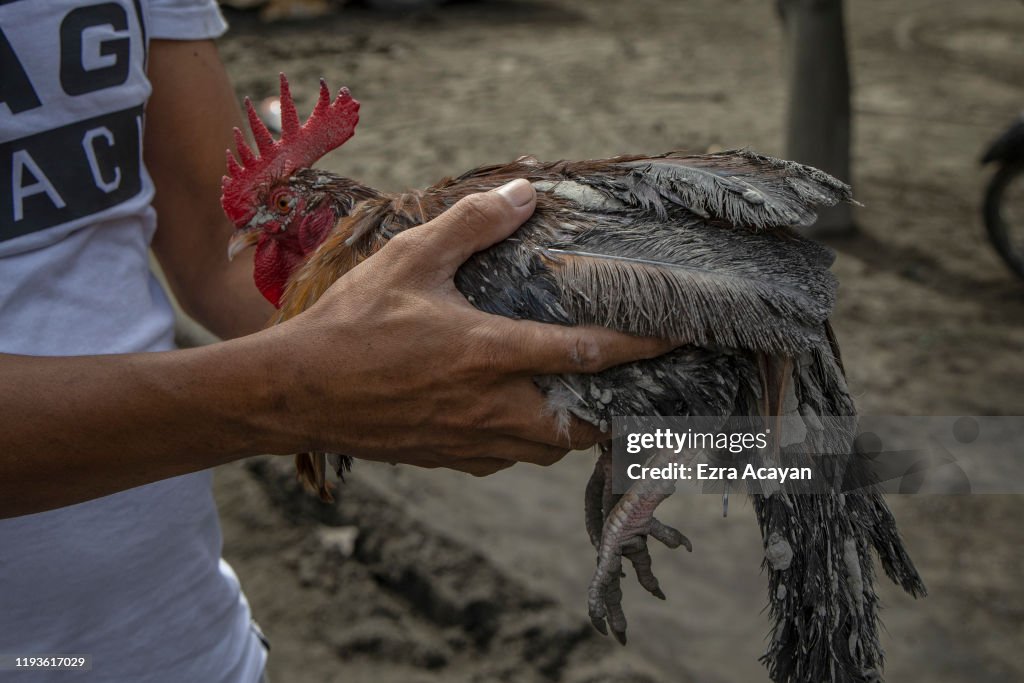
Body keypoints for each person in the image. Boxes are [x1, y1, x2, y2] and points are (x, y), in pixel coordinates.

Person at [0, 2, 669, 680]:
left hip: (191, 639)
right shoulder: (283, 384)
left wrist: (403, 351)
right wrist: (296, 393)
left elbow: (216, 249)